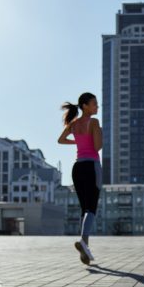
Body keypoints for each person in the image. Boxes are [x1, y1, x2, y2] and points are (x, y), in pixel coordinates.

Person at [58, 93, 102, 266]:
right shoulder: (94, 123)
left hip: (77, 168)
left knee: (85, 209)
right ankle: (83, 242)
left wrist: (77, 143)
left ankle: (85, 249)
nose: (97, 107)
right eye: (94, 104)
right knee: (91, 208)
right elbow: (97, 146)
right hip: (92, 166)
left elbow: (60, 140)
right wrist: (99, 133)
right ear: (85, 106)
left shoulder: (74, 123)